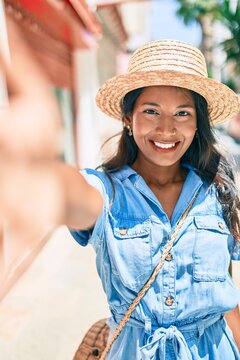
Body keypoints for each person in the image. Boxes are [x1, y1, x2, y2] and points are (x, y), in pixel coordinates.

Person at [1, 33, 240, 359]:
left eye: (183, 113)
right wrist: (41, 169)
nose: (167, 129)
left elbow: (228, 304)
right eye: (151, 111)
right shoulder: (107, 193)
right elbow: (70, 194)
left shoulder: (219, 190)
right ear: (128, 119)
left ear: (198, 122)